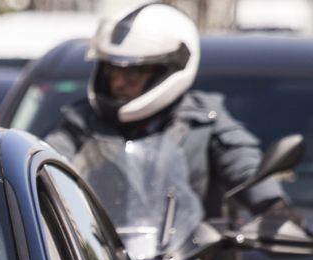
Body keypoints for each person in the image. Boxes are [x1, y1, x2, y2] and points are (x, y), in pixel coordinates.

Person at [44, 2, 302, 224]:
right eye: (112, 71)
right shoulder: (82, 122)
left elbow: (243, 163)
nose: (118, 83)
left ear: (167, 70)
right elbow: (48, 158)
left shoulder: (204, 121)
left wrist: (274, 208)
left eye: (132, 73)